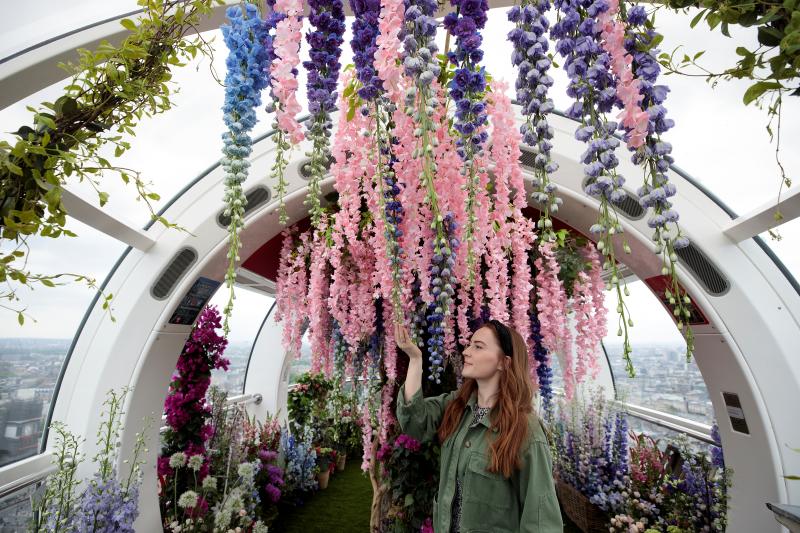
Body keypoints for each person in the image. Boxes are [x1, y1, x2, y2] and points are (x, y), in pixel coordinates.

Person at [395, 319, 563, 533]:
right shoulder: (457, 406)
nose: (466, 352)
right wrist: (415, 358)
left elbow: (541, 520)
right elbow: (414, 420)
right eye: (469, 345)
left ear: (503, 362)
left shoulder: (525, 429)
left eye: (478, 346)